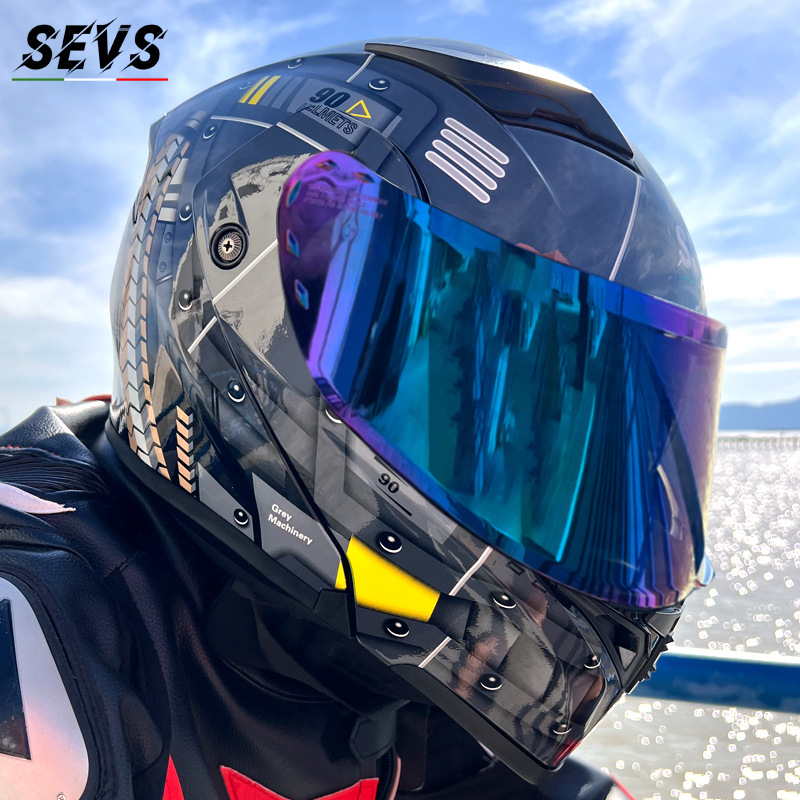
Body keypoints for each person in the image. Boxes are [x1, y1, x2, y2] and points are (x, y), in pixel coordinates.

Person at [0, 38, 726, 800]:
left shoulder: (399, 676)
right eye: (462, 397)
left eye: (579, 434)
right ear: (243, 297)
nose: (539, 469)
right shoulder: (48, 640)